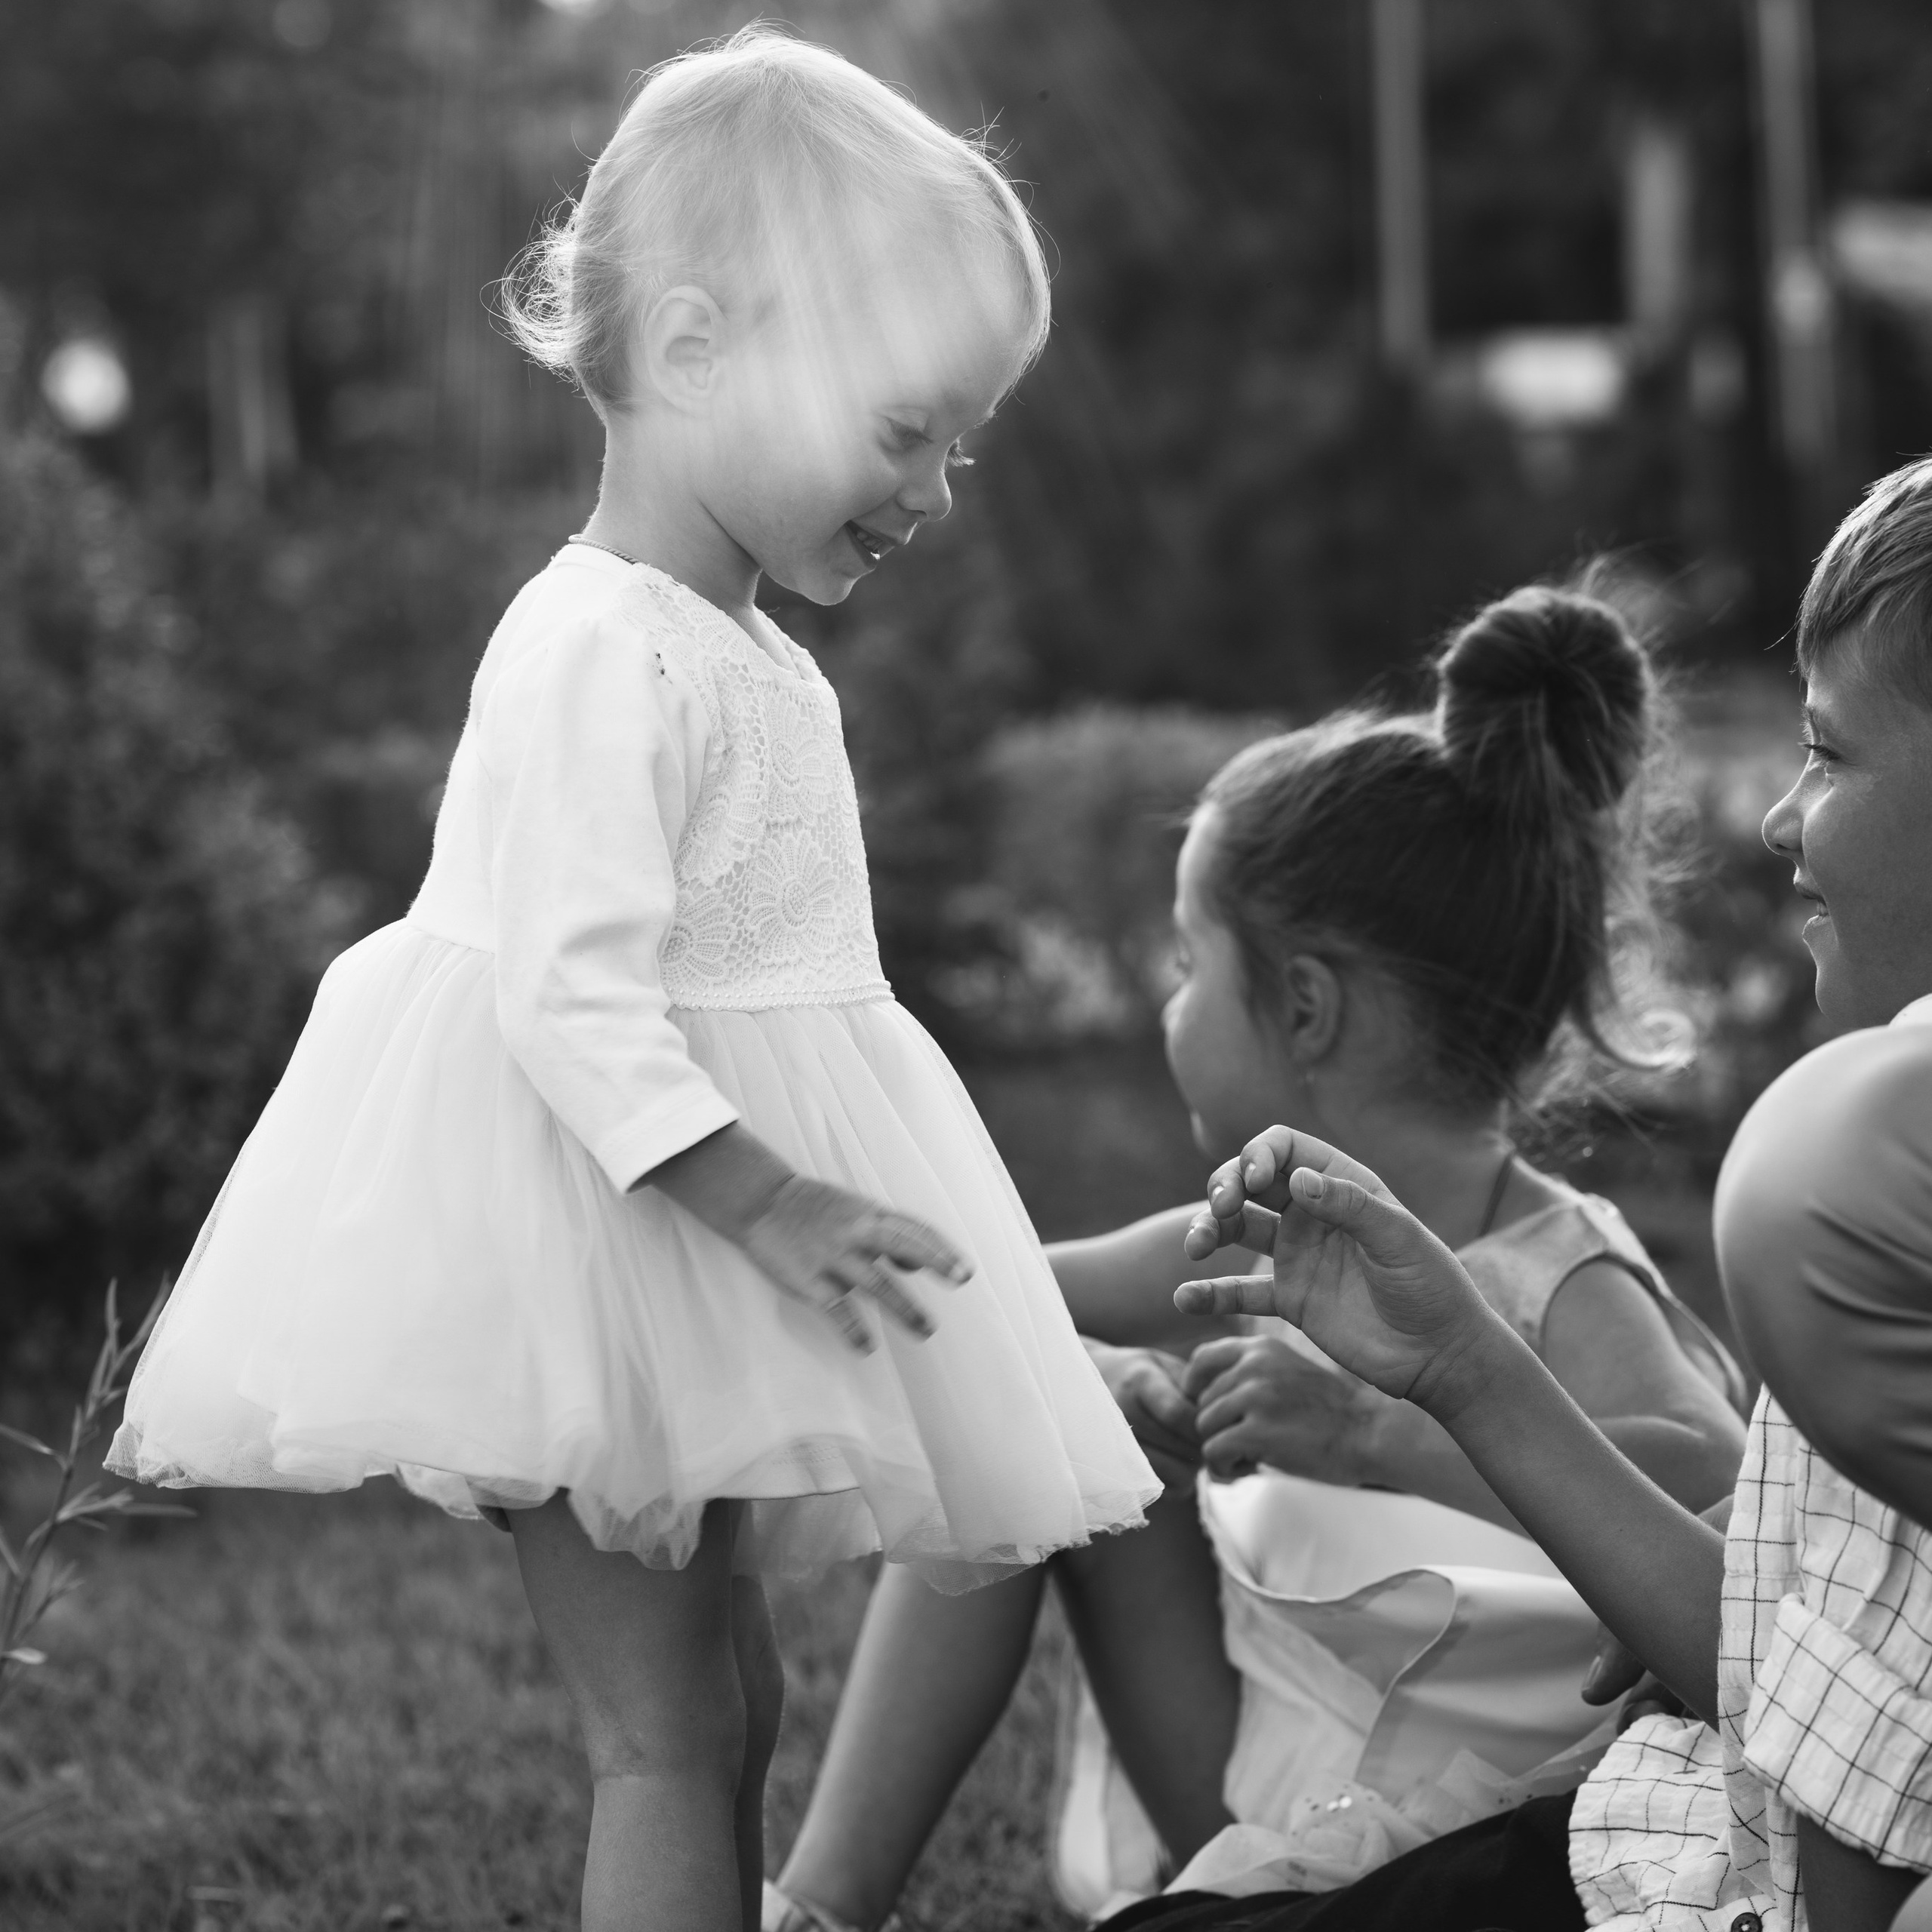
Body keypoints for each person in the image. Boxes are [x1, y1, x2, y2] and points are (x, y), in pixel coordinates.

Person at [106, 30, 1159, 1932]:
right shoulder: (598, 645)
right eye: (902, 428)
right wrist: (765, 1197)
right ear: (692, 350)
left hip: (667, 1237)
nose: (935, 491)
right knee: (661, 1730)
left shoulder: (736, 644)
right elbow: (569, 999)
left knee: (727, 1703)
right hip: (596, 1233)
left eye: (960, 442)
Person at [766, 583, 1747, 1932]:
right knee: (1047, 1404)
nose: (1170, 1006)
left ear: (1303, 1006)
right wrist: (791, 1230)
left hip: (1446, 1842)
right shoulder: (1260, 1224)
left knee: (1063, 1398)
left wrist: (1371, 1435)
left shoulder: (1559, 1267)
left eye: (1189, 963)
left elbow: (1712, 1476)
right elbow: (993, 1294)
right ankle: (819, 1909)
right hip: (1257, 1764)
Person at [1152, 454, 1932, 1932]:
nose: (1780, 816)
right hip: (1663, 1829)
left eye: (1829, 754)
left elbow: (1846, 1818)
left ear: (1310, 1007)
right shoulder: (1889, 1179)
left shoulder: (1847, 1199)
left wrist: (1393, 1423)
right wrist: (1456, 1361)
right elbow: (1787, 1678)